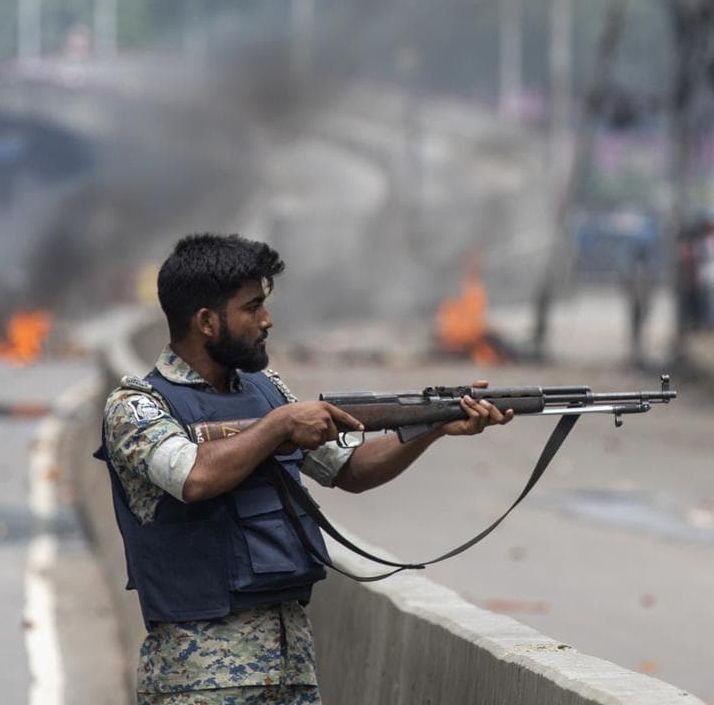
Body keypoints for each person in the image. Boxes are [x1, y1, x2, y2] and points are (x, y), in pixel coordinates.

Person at [96, 233, 513, 705]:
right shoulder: (138, 407)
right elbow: (194, 477)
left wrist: (432, 426)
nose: (266, 320)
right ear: (207, 322)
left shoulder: (266, 390)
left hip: (292, 671)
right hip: (199, 682)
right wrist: (278, 426)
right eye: (252, 307)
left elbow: (350, 469)